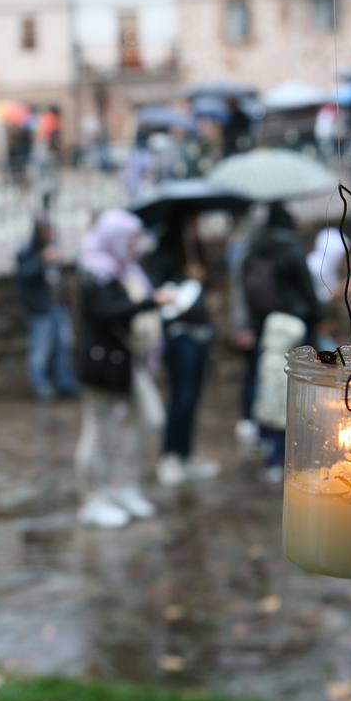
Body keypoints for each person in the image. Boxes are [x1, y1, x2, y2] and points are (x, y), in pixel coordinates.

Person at [75, 208, 174, 527]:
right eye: (129, 239)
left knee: (148, 420)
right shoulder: (94, 271)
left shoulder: (124, 269)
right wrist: (151, 303)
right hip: (102, 364)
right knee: (100, 431)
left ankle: (122, 486)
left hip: (129, 361)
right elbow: (107, 312)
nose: (135, 245)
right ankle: (93, 499)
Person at [238, 203, 321, 480]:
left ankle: (265, 440)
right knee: (296, 389)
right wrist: (318, 315)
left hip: (265, 329)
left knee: (267, 385)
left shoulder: (254, 248)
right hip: (294, 329)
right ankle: (288, 453)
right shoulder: (290, 248)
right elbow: (307, 289)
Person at [147, 212, 219, 486]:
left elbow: (206, 286)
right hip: (180, 335)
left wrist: (201, 276)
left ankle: (187, 453)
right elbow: (157, 292)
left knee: (194, 395)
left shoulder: (195, 250)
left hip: (200, 333)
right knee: (181, 395)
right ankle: (170, 454)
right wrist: (181, 279)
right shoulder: (164, 255)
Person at [16, 216, 77, 401]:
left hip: (57, 305)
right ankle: (41, 385)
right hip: (41, 309)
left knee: (64, 344)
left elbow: (57, 278)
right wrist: (43, 260)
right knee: (40, 349)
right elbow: (25, 277)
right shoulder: (27, 252)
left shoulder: (52, 247)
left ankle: (65, 382)